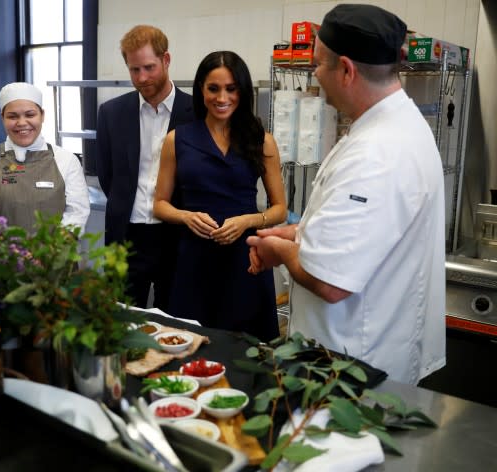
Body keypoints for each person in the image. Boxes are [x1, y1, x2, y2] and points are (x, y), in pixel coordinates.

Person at [247, 4, 446, 385]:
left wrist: (280, 251)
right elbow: (362, 236)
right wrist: (296, 234)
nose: (316, 76)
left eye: (319, 65)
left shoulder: (377, 151)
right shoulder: (395, 125)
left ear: (347, 70)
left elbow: (331, 282)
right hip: (366, 354)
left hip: (353, 368)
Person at [154, 51, 287, 341]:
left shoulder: (261, 140)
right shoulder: (177, 139)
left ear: (242, 90)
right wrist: (186, 216)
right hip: (194, 259)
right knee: (191, 344)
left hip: (246, 258)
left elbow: (280, 210)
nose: (222, 97)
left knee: (248, 350)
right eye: (213, 88)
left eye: (231, 89)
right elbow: (159, 205)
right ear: (201, 89)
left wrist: (247, 221)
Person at [95, 25, 194, 310]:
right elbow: (107, 175)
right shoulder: (111, 113)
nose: (142, 78)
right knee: (123, 319)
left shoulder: (197, 113)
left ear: (166, 60)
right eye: (134, 70)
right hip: (127, 235)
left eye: (149, 67)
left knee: (176, 319)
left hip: (176, 235)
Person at [0, 82, 90, 243]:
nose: (22, 123)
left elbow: (76, 214)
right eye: (12, 116)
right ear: (2, 118)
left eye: (30, 115)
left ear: (42, 115)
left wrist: (47, 254)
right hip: (1, 264)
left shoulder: (67, 160)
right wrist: (12, 256)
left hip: (55, 262)